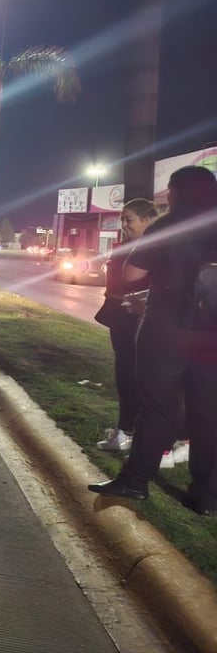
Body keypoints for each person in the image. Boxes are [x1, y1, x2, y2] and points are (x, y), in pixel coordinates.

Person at [89, 166, 217, 515]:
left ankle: (136, 480)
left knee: (157, 407)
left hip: (166, 328)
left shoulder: (168, 224)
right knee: (207, 413)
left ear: (177, 192)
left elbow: (132, 271)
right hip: (211, 336)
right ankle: (207, 495)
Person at [93, 199, 156, 452]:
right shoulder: (132, 245)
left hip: (134, 321)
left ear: (147, 219)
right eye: (122, 220)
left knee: (130, 377)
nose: (123, 225)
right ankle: (126, 428)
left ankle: (126, 432)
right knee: (124, 375)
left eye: (129, 219)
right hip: (120, 318)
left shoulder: (150, 247)